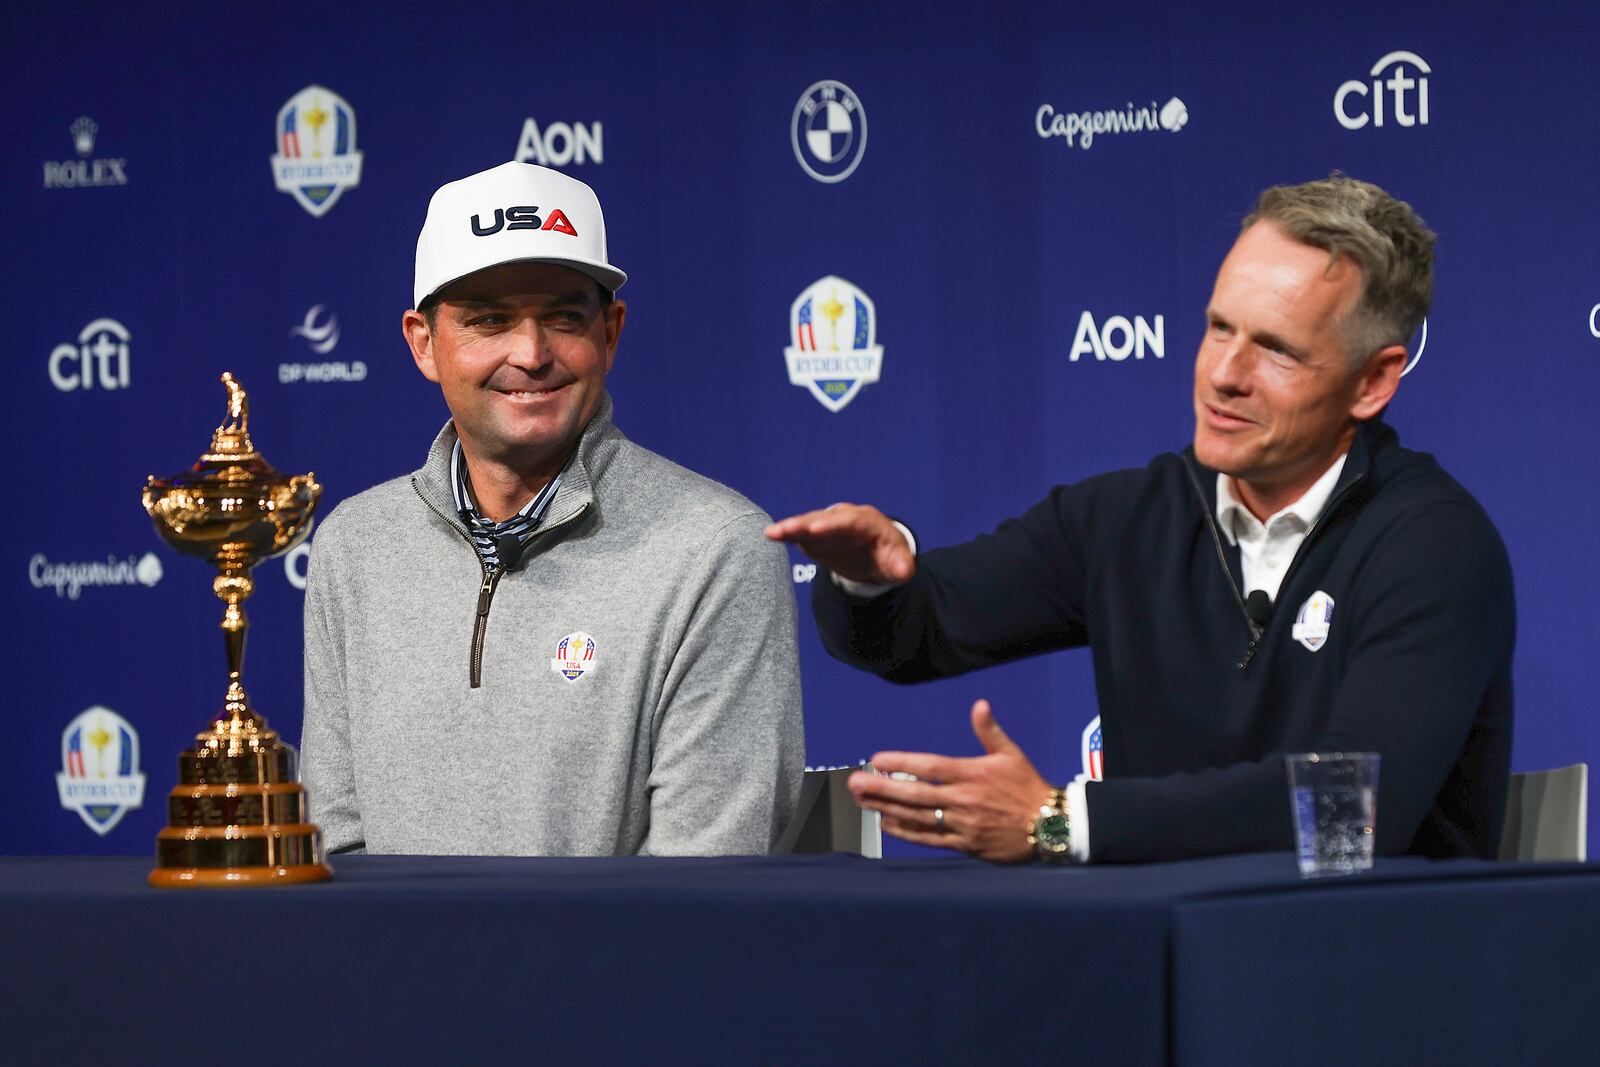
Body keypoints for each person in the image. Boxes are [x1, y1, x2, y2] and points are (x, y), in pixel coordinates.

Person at [768, 175, 1513, 864]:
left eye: (1276, 350)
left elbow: (1355, 812)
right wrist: (869, 579)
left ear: (1374, 381)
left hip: (1374, 977)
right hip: (1158, 960)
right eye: (1220, 328)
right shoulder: (1129, 518)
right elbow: (918, 632)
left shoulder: (1435, 545)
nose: (1225, 374)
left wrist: (1063, 821)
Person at [302, 161, 804, 856]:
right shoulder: (354, 546)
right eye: (490, 320)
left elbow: (704, 884)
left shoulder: (717, 548)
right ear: (424, 342)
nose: (531, 352)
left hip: (619, 970)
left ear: (612, 332)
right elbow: (334, 846)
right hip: (390, 967)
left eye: (565, 317)